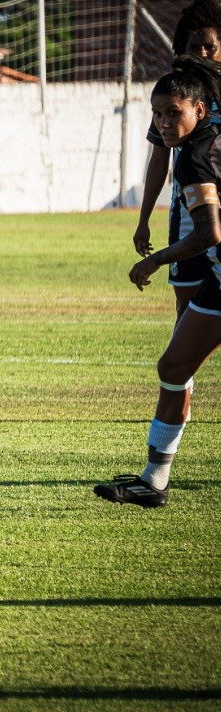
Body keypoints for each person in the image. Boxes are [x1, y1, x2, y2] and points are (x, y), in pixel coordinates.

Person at [97, 54, 221, 508]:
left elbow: (208, 234)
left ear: (200, 110)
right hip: (218, 281)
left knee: (174, 366)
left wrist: (154, 261)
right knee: (173, 367)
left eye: (174, 112)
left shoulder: (197, 158)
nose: (164, 122)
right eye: (157, 113)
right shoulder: (205, 142)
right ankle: (153, 481)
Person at [133, 0, 221, 319]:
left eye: (210, 47)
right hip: (188, 216)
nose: (202, 54)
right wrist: (143, 219)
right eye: (195, 47)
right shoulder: (176, 97)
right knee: (187, 308)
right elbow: (159, 160)